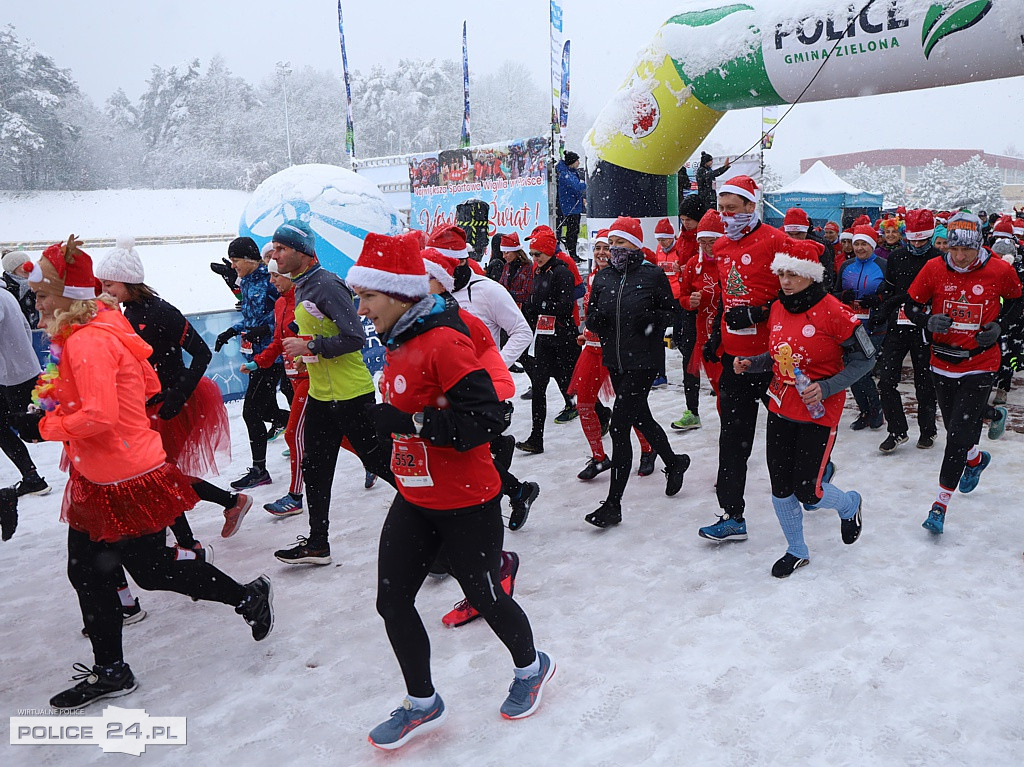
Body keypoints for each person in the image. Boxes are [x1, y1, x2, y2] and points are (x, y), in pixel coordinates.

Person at [18, 236, 272, 711]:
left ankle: (247, 596)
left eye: (42, 295)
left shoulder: (90, 340)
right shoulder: (99, 327)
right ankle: (111, 669)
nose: (36, 305)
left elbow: (97, 416)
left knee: (150, 572)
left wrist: (46, 424)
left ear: (69, 299)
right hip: (104, 473)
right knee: (89, 572)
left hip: (123, 477)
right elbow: (149, 379)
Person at [346, 233, 554, 750]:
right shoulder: (399, 337)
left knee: (486, 597)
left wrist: (413, 420)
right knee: (392, 602)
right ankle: (423, 703)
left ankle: (532, 667)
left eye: (367, 296)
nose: (361, 308)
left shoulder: (443, 339)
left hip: (467, 499)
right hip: (416, 498)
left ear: (396, 294)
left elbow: (488, 418)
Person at [94, 237, 249, 541]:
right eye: (103, 284)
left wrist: (179, 394)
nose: (105, 291)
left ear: (128, 282)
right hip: (150, 403)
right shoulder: (127, 313)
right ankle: (224, 510)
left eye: (109, 284)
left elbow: (202, 353)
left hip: (177, 402)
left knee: (160, 474)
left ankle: (195, 538)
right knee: (161, 474)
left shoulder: (161, 311)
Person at [733, 241, 872, 577]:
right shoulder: (778, 308)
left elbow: (866, 358)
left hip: (818, 412)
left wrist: (825, 387)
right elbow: (780, 356)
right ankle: (796, 549)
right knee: (781, 486)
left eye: (794, 273)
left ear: (811, 275)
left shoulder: (835, 311)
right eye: (782, 273)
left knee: (808, 491)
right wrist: (752, 364)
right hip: (780, 405)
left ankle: (849, 504)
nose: (786, 280)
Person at [698, 175, 824, 542]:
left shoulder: (775, 240)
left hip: (776, 361)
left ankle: (817, 473)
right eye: (721, 209)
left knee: (796, 431)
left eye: (732, 209)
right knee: (732, 439)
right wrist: (714, 339)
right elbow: (726, 294)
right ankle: (732, 514)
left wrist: (758, 313)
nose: (725, 216)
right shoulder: (720, 246)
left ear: (752, 206)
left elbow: (809, 281)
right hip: (736, 360)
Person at [270, 220, 394, 565]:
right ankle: (317, 543)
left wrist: (309, 343)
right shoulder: (303, 284)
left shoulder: (325, 284)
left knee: (380, 462)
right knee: (316, 467)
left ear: (300, 252)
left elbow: (354, 337)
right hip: (324, 397)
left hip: (352, 394)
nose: (275, 255)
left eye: (280, 249)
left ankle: (439, 520)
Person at [905, 212, 1022, 535]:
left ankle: (940, 504)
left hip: (981, 362)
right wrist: (926, 320)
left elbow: (1016, 303)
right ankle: (975, 459)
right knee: (958, 426)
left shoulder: (1000, 270)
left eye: (966, 251)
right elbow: (911, 304)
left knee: (955, 435)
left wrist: (1000, 327)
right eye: (953, 250)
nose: (958, 257)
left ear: (979, 246)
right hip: (942, 362)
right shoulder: (933, 268)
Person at [581, 216, 691, 528]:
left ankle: (613, 504)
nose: (615, 249)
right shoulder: (603, 278)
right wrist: (596, 322)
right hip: (615, 360)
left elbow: (671, 312)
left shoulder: (652, 274)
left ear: (635, 244)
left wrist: (650, 321)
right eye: (612, 243)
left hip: (643, 361)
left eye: (621, 242)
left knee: (619, 427)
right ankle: (675, 461)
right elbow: (591, 315)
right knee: (641, 417)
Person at [424, 250, 540, 531]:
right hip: (447, 397)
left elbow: (520, 334)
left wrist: (482, 378)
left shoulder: (484, 296)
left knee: (466, 460)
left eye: (423, 277)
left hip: (476, 397)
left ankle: (513, 492)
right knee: (462, 459)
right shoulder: (422, 314)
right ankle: (511, 480)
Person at [570, 229, 656, 481]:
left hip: (619, 353)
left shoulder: (628, 279)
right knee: (584, 403)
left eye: (607, 247)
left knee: (632, 407)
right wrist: (587, 333)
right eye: (598, 247)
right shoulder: (593, 279)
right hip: (592, 351)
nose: (601, 252)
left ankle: (648, 450)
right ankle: (599, 457)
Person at [214, 237, 286, 490]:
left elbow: (286, 313)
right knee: (266, 412)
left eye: (235, 261)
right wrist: (231, 331)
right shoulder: (246, 283)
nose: (233, 266)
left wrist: (264, 329)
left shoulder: (271, 279)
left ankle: (259, 470)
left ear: (248, 259)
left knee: (251, 412)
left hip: (271, 356)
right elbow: (249, 317)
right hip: (253, 356)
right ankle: (307, 424)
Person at [873, 209, 941, 452]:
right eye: (912, 240)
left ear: (931, 237)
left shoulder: (938, 258)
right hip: (898, 325)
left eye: (922, 240)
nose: (917, 245)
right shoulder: (897, 257)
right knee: (887, 380)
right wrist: (882, 305)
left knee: (924, 383)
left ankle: (927, 430)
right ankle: (897, 430)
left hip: (924, 327)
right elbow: (890, 288)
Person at [248, 259, 308, 516]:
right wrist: (258, 362)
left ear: (289, 276)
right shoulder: (281, 303)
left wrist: (306, 353)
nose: (271, 281)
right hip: (294, 378)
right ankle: (375, 463)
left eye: (275, 276)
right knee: (334, 433)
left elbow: (315, 337)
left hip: (311, 378)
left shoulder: (306, 299)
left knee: (293, 434)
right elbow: (278, 341)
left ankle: (295, 496)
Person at [516, 229, 580, 453]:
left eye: (538, 253)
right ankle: (536, 438)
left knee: (572, 384)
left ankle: (601, 413)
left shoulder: (562, 272)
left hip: (563, 338)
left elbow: (564, 307)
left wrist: (539, 307)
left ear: (548, 251)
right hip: (544, 338)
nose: (535, 258)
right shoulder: (538, 271)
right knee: (539, 386)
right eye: (532, 254)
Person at [674, 208, 725, 431]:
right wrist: (690, 302)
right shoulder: (695, 264)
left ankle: (729, 422)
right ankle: (692, 411)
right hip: (699, 330)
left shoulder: (729, 262)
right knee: (693, 372)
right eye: (702, 242)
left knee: (724, 382)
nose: (706, 247)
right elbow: (683, 296)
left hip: (725, 331)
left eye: (711, 241)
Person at [835, 225, 887, 431]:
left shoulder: (884, 265)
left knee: (862, 369)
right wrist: (842, 297)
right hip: (850, 326)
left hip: (874, 327)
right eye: (856, 243)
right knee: (851, 370)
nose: (859, 247)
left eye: (864, 243)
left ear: (872, 245)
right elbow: (834, 293)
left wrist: (878, 300)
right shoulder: (847, 265)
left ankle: (875, 409)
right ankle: (865, 410)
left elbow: (893, 294)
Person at [0, 282, 48, 495]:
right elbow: (26, 328)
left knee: (33, 427)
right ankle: (32, 477)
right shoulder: (5, 294)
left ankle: (33, 477)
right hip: (19, 368)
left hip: (12, 373)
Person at [555, 150, 586, 261]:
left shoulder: (570, 172)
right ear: (572, 162)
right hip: (569, 208)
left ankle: (572, 253)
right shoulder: (566, 174)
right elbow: (577, 186)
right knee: (572, 232)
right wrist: (586, 183)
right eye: (577, 160)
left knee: (573, 231)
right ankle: (572, 254)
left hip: (573, 206)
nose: (578, 163)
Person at [496, 232, 534, 308]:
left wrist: (507, 294)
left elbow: (526, 294)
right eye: (503, 253)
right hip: (507, 308)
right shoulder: (507, 266)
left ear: (516, 252)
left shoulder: (528, 267)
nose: (504, 256)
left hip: (523, 310)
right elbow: (500, 286)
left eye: (507, 252)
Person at [3, 249, 40, 327]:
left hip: (37, 332)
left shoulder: (38, 284)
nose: (27, 267)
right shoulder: (4, 289)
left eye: (27, 263)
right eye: (21, 264)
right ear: (12, 269)